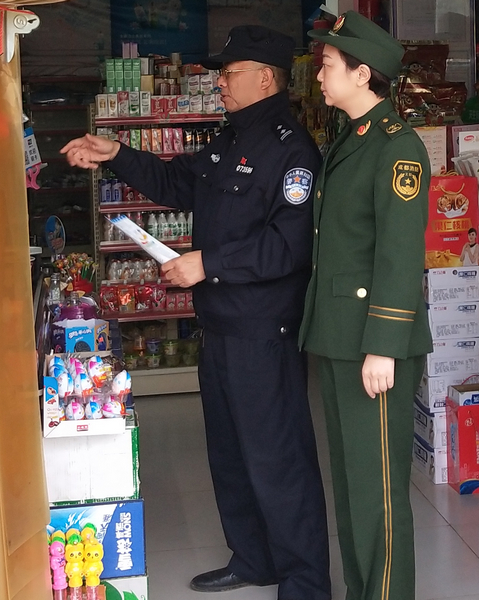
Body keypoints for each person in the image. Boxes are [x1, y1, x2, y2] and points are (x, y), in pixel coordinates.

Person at [61, 26, 331, 600]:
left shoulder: (292, 151)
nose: (220, 83)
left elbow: (288, 247)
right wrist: (116, 153)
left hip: (263, 331)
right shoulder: (229, 140)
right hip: (219, 326)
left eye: (229, 73)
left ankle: (306, 583)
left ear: (265, 78)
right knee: (230, 456)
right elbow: (177, 181)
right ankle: (253, 558)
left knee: (278, 461)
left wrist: (209, 263)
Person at [298, 11, 433, 600]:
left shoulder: (397, 148)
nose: (319, 75)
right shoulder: (351, 139)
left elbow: (400, 255)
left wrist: (383, 345)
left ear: (361, 73)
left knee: (378, 490)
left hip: (371, 346)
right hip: (338, 335)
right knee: (353, 484)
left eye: (327, 64)